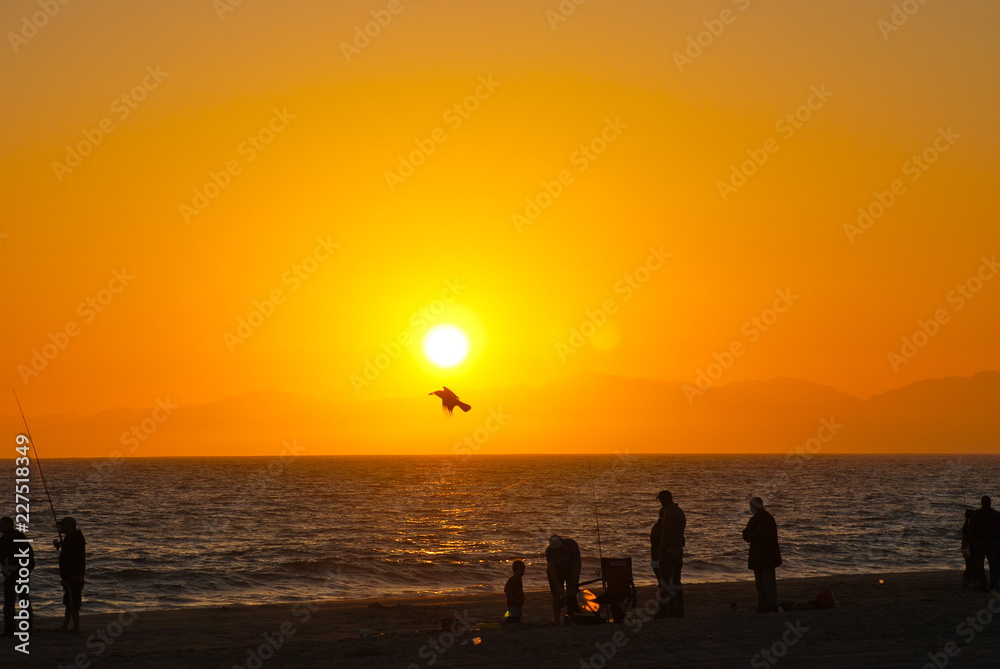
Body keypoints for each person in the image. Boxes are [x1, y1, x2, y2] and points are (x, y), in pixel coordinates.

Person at [742, 497, 781, 613]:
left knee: (761, 585)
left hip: (759, 557)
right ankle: (770, 606)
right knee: (769, 584)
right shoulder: (770, 518)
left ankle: (764, 607)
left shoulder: (755, 520)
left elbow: (747, 536)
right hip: (769, 556)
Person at [0, 517, 34, 637]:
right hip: (22, 573)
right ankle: (28, 628)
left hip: (12, 575)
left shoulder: (6, 538)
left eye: (1, 524)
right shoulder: (20, 536)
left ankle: (10, 629)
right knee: (24, 601)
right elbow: (30, 555)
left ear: (8, 525)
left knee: (9, 604)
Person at [656, 490, 686, 617]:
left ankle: (669, 611)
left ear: (664, 500)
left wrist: (661, 551)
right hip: (678, 551)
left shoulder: (668, 513)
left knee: (666, 584)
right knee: (676, 583)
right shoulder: (680, 512)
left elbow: (666, 535)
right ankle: (679, 610)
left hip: (669, 552)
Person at [54, 517, 86, 633]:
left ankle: (76, 627)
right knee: (69, 602)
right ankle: (65, 625)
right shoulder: (72, 537)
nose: (61, 527)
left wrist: (66, 578)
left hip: (73, 576)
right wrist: (61, 544)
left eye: (63, 525)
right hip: (71, 576)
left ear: (70, 526)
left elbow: (71, 559)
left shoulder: (74, 539)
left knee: (73, 603)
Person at [545, 535, 581, 625]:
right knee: (556, 595)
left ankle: (571, 616)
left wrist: (573, 585)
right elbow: (552, 570)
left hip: (571, 568)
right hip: (557, 570)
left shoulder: (572, 546)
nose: (557, 551)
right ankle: (557, 620)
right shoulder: (549, 551)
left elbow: (576, 566)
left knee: (572, 592)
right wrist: (557, 586)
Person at [968, 496, 1000, 591]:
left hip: (980, 543)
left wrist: (970, 540)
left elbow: (971, 529)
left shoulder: (976, 515)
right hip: (993, 543)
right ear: (990, 503)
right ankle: (994, 583)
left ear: (981, 503)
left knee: (979, 564)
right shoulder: (996, 514)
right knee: (993, 564)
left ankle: (983, 583)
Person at [649, 506, 666, 618]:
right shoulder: (660, 528)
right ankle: (663, 609)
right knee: (662, 585)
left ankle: (664, 608)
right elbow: (656, 546)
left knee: (663, 585)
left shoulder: (659, 527)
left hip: (658, 559)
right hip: (659, 560)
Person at [503, 560, 526, 625]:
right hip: (513, 603)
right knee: (514, 615)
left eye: (523, 571)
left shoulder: (519, 579)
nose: (522, 573)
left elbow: (519, 589)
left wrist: (522, 596)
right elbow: (508, 591)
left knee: (519, 614)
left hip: (519, 602)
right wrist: (513, 599)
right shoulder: (512, 580)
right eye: (521, 571)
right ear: (515, 570)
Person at [961, 509, 975, 588]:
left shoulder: (965, 525)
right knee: (971, 565)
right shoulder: (969, 525)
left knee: (969, 564)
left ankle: (966, 581)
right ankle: (970, 581)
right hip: (969, 547)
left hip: (965, 547)